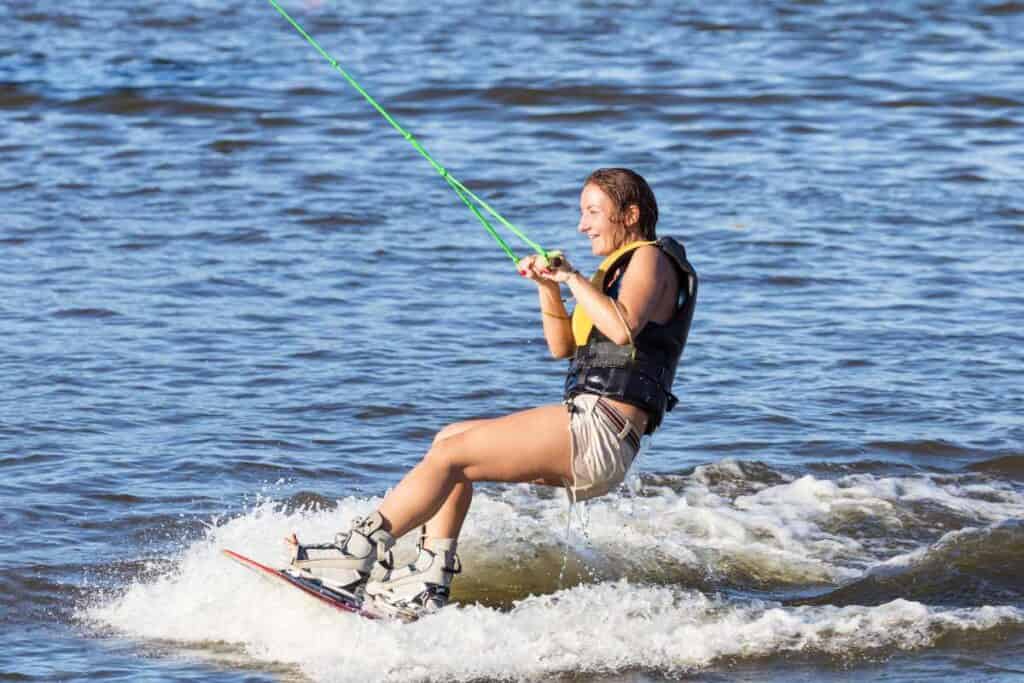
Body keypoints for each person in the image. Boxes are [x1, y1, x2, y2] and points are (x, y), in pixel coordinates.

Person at [289, 168, 698, 616]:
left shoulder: (650, 259)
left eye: (593, 212)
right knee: (449, 440)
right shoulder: (611, 275)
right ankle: (428, 582)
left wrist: (572, 278)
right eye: (581, 213)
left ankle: (354, 555)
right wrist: (547, 288)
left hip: (601, 429)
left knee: (450, 458)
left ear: (630, 214)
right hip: (591, 424)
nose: (582, 224)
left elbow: (621, 329)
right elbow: (563, 347)